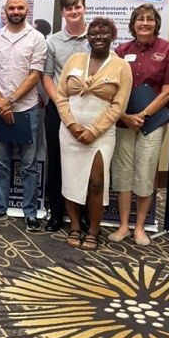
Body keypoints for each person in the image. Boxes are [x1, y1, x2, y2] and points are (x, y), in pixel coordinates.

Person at [109, 4, 169, 246]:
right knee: (122, 174)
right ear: (132, 24)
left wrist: (142, 114)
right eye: (139, 19)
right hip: (123, 122)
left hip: (152, 123)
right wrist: (125, 116)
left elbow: (168, 91)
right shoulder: (121, 51)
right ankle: (123, 225)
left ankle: (140, 227)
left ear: (156, 24)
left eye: (149, 19)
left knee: (145, 172)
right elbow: (112, 87)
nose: (144, 23)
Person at [56, 18, 132, 251]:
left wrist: (94, 131)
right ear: (87, 37)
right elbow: (61, 95)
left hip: (101, 135)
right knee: (70, 179)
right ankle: (76, 227)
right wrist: (71, 125)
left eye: (104, 33)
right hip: (70, 132)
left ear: (112, 36)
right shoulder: (75, 60)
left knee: (97, 182)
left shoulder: (121, 66)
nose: (98, 37)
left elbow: (118, 106)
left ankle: (93, 230)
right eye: (94, 33)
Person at [0, 0, 47, 231]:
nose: (16, 11)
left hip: (26, 110)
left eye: (20, 7)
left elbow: (35, 75)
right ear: (6, 10)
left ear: (27, 10)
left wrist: (9, 101)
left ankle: (29, 212)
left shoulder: (37, 38)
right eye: (12, 8)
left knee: (29, 165)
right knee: (1, 163)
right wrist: (1, 102)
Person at [41, 0, 89, 232]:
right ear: (62, 12)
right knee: (56, 162)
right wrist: (60, 103)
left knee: (87, 163)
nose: (73, 12)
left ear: (84, 8)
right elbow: (46, 77)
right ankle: (56, 214)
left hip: (90, 110)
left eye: (77, 7)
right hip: (58, 109)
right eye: (69, 9)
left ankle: (86, 216)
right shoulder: (52, 42)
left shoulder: (96, 39)